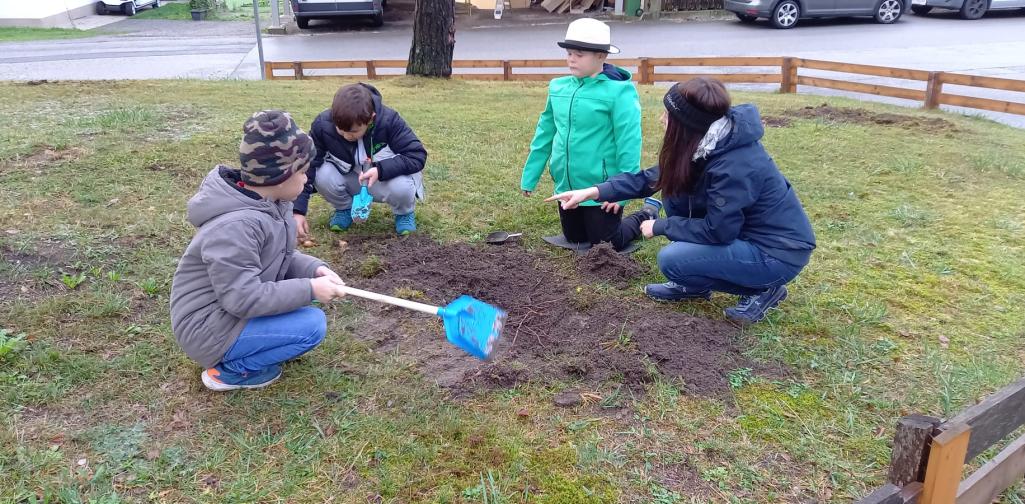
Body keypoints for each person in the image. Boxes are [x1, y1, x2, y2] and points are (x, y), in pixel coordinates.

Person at [547, 78, 816, 324]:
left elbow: (719, 231)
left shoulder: (735, 165)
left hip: (776, 253)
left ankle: (764, 288)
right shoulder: (709, 143)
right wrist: (593, 192)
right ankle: (696, 284)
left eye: (668, 115)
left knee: (672, 259)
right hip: (745, 239)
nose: (661, 119)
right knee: (677, 209)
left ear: (686, 124)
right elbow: (647, 179)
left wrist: (662, 226)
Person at [170, 110, 348, 391]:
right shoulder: (236, 226)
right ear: (279, 176)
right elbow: (242, 298)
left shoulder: (270, 203)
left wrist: (314, 269)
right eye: (302, 173)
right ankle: (231, 371)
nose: (307, 181)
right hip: (208, 330)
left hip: (228, 316)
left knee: (303, 307)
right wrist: (311, 289)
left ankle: (252, 346)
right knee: (312, 325)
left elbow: (278, 255)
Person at [521, 18, 642, 251]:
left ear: (601, 56)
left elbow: (629, 142)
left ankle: (643, 216)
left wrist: (622, 193)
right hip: (567, 185)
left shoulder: (621, 92)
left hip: (603, 187)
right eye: (569, 53)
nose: (572, 59)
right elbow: (545, 133)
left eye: (579, 53)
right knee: (575, 240)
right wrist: (530, 175)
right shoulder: (557, 87)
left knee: (607, 244)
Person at [294, 83, 428, 237]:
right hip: (350, 178)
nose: (346, 136)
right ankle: (344, 208)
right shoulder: (323, 125)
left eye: (352, 131)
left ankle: (404, 213)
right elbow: (307, 165)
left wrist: (380, 170)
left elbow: (417, 155)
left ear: (371, 119)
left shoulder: (389, 121)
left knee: (402, 186)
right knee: (321, 174)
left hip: (383, 180)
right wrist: (298, 210)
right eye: (340, 130)